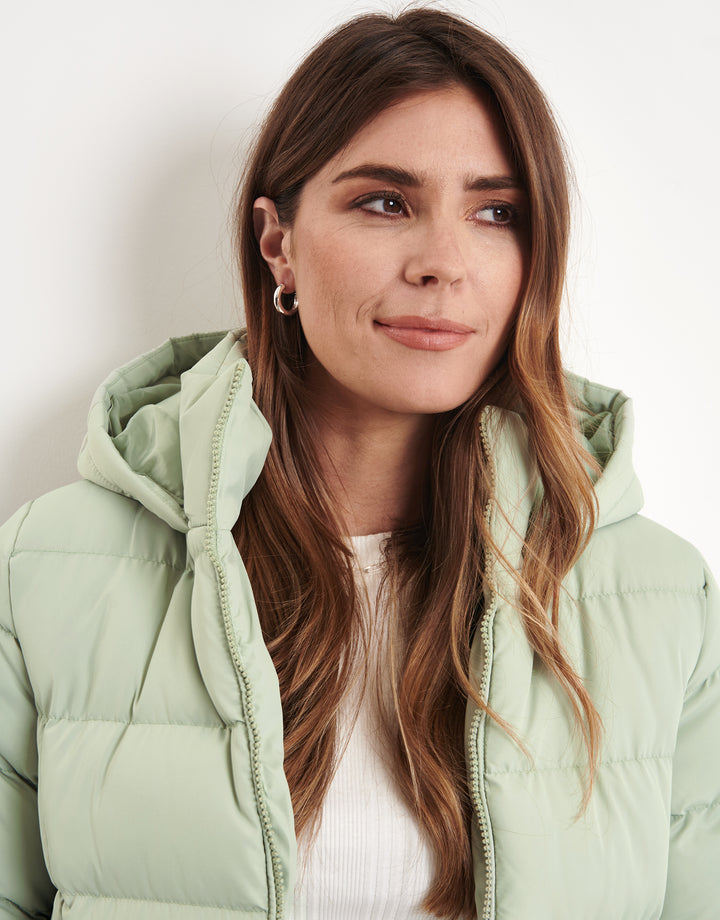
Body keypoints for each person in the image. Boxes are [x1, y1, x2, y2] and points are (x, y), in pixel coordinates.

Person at [0, 7, 717, 920]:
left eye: (497, 212)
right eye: (385, 202)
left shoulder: (662, 597)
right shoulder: (49, 569)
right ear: (278, 245)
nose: (444, 262)